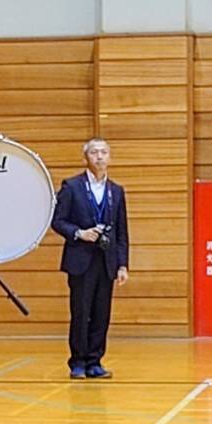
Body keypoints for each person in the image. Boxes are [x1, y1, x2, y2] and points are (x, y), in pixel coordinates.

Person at [51, 138, 129, 379]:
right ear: (85, 157)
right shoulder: (72, 186)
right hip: (80, 259)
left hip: (106, 260)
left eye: (104, 152)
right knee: (81, 311)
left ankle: (96, 361)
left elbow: (122, 231)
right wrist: (79, 233)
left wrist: (123, 264)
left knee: (101, 313)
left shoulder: (116, 191)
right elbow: (57, 221)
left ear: (110, 157)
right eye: (94, 152)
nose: (99, 157)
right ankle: (77, 362)